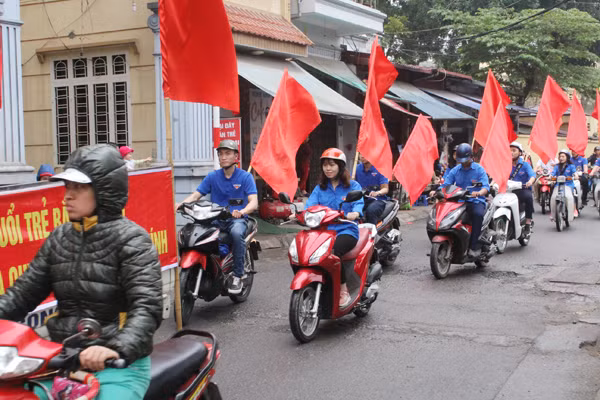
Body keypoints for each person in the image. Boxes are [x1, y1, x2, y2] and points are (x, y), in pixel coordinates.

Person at [0, 144, 163, 399]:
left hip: (117, 364)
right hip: (62, 360)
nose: (68, 196)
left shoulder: (132, 240)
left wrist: (116, 348)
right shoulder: (60, 238)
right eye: (68, 187)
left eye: (79, 188)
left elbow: (147, 307)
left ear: (104, 190)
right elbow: (22, 295)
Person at [177, 140, 258, 294]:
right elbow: (196, 195)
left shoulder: (245, 177)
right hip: (215, 219)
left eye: (227, 153)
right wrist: (181, 204)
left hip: (236, 220)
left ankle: (237, 276)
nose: (223, 157)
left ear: (236, 156)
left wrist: (242, 211)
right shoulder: (212, 177)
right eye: (220, 154)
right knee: (199, 235)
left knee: (236, 234)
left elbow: (253, 202)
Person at [305, 148, 364, 308]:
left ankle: (343, 290)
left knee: (333, 253)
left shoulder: (353, 186)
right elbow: (310, 206)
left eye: (331, 165)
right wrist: (298, 213)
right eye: (325, 165)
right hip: (323, 231)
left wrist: (354, 213)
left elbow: (358, 204)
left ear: (340, 166)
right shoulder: (320, 188)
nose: (328, 168)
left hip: (346, 230)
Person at [431, 143, 489, 259]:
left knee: (477, 215)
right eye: (460, 160)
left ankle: (474, 246)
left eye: (465, 160)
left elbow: (485, 187)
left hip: (475, 201)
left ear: (471, 157)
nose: (463, 162)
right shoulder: (455, 170)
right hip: (459, 202)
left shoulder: (479, 169)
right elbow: (446, 184)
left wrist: (478, 193)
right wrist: (436, 191)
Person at [509, 142, 535, 232]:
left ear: (520, 153)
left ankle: (528, 222)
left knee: (528, 197)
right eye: (509, 150)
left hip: (522, 190)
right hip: (508, 191)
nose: (511, 152)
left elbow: (532, 175)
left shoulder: (525, 164)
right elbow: (499, 175)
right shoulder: (505, 163)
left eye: (514, 150)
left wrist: (530, 182)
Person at [355, 153, 389, 225]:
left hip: (378, 200)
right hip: (361, 199)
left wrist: (377, 193)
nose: (362, 156)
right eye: (360, 154)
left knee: (371, 210)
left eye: (364, 153)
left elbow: (385, 189)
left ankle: (372, 230)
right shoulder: (356, 168)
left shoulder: (380, 169)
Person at [551, 149, 577, 221]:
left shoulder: (571, 166)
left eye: (563, 156)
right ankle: (553, 214)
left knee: (571, 197)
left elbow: (575, 173)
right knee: (553, 197)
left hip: (568, 185)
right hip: (558, 185)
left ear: (567, 157)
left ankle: (573, 210)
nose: (561, 158)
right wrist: (551, 177)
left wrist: (575, 176)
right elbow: (553, 173)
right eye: (560, 156)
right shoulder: (557, 166)